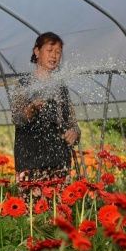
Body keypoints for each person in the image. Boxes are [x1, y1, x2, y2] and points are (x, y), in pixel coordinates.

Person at [10, 32, 80, 199]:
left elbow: (72, 122)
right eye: (50, 50)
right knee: (32, 215)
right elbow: (17, 118)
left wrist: (74, 133)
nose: (54, 56)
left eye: (58, 52)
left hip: (59, 162)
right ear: (37, 51)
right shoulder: (24, 85)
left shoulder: (61, 88)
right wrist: (31, 110)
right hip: (31, 162)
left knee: (58, 214)